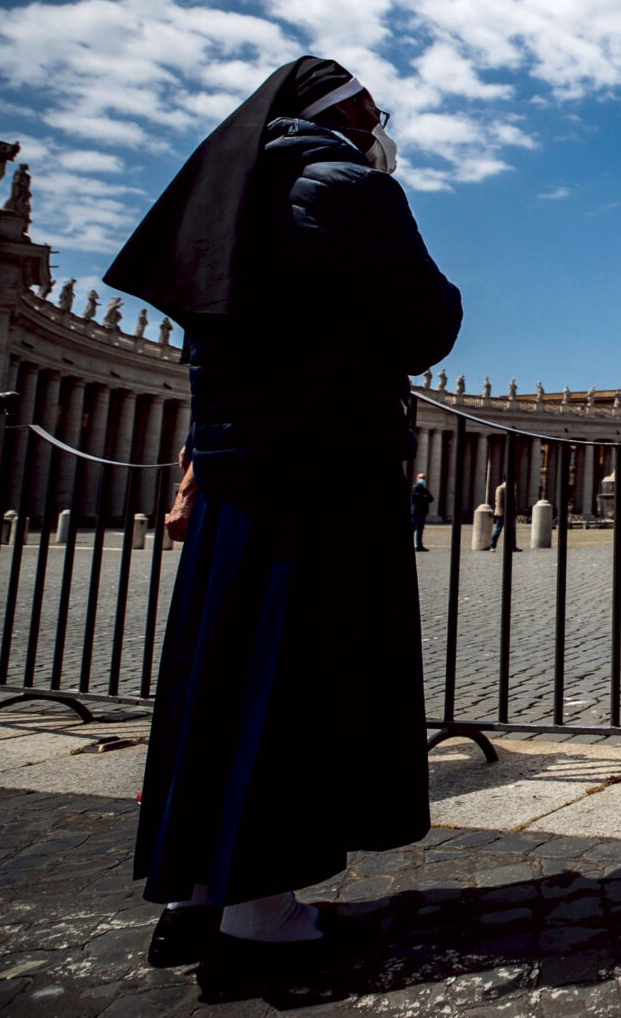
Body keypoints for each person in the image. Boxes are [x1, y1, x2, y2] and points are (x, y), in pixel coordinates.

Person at [106, 57, 461, 971]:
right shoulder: (349, 187)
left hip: (235, 470)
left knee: (219, 677)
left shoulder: (223, 197)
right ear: (344, 116)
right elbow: (427, 324)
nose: (382, 128)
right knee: (295, 679)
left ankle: (195, 892)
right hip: (321, 468)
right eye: (374, 112)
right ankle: (262, 917)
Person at [411, 473, 434, 551]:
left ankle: (419, 545)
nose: (422, 480)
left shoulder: (424, 489)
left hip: (423, 511)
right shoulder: (414, 488)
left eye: (423, 478)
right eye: (421, 478)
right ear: (417, 478)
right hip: (416, 511)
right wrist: (425, 497)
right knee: (413, 528)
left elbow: (431, 498)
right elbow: (417, 496)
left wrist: (423, 497)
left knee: (420, 529)